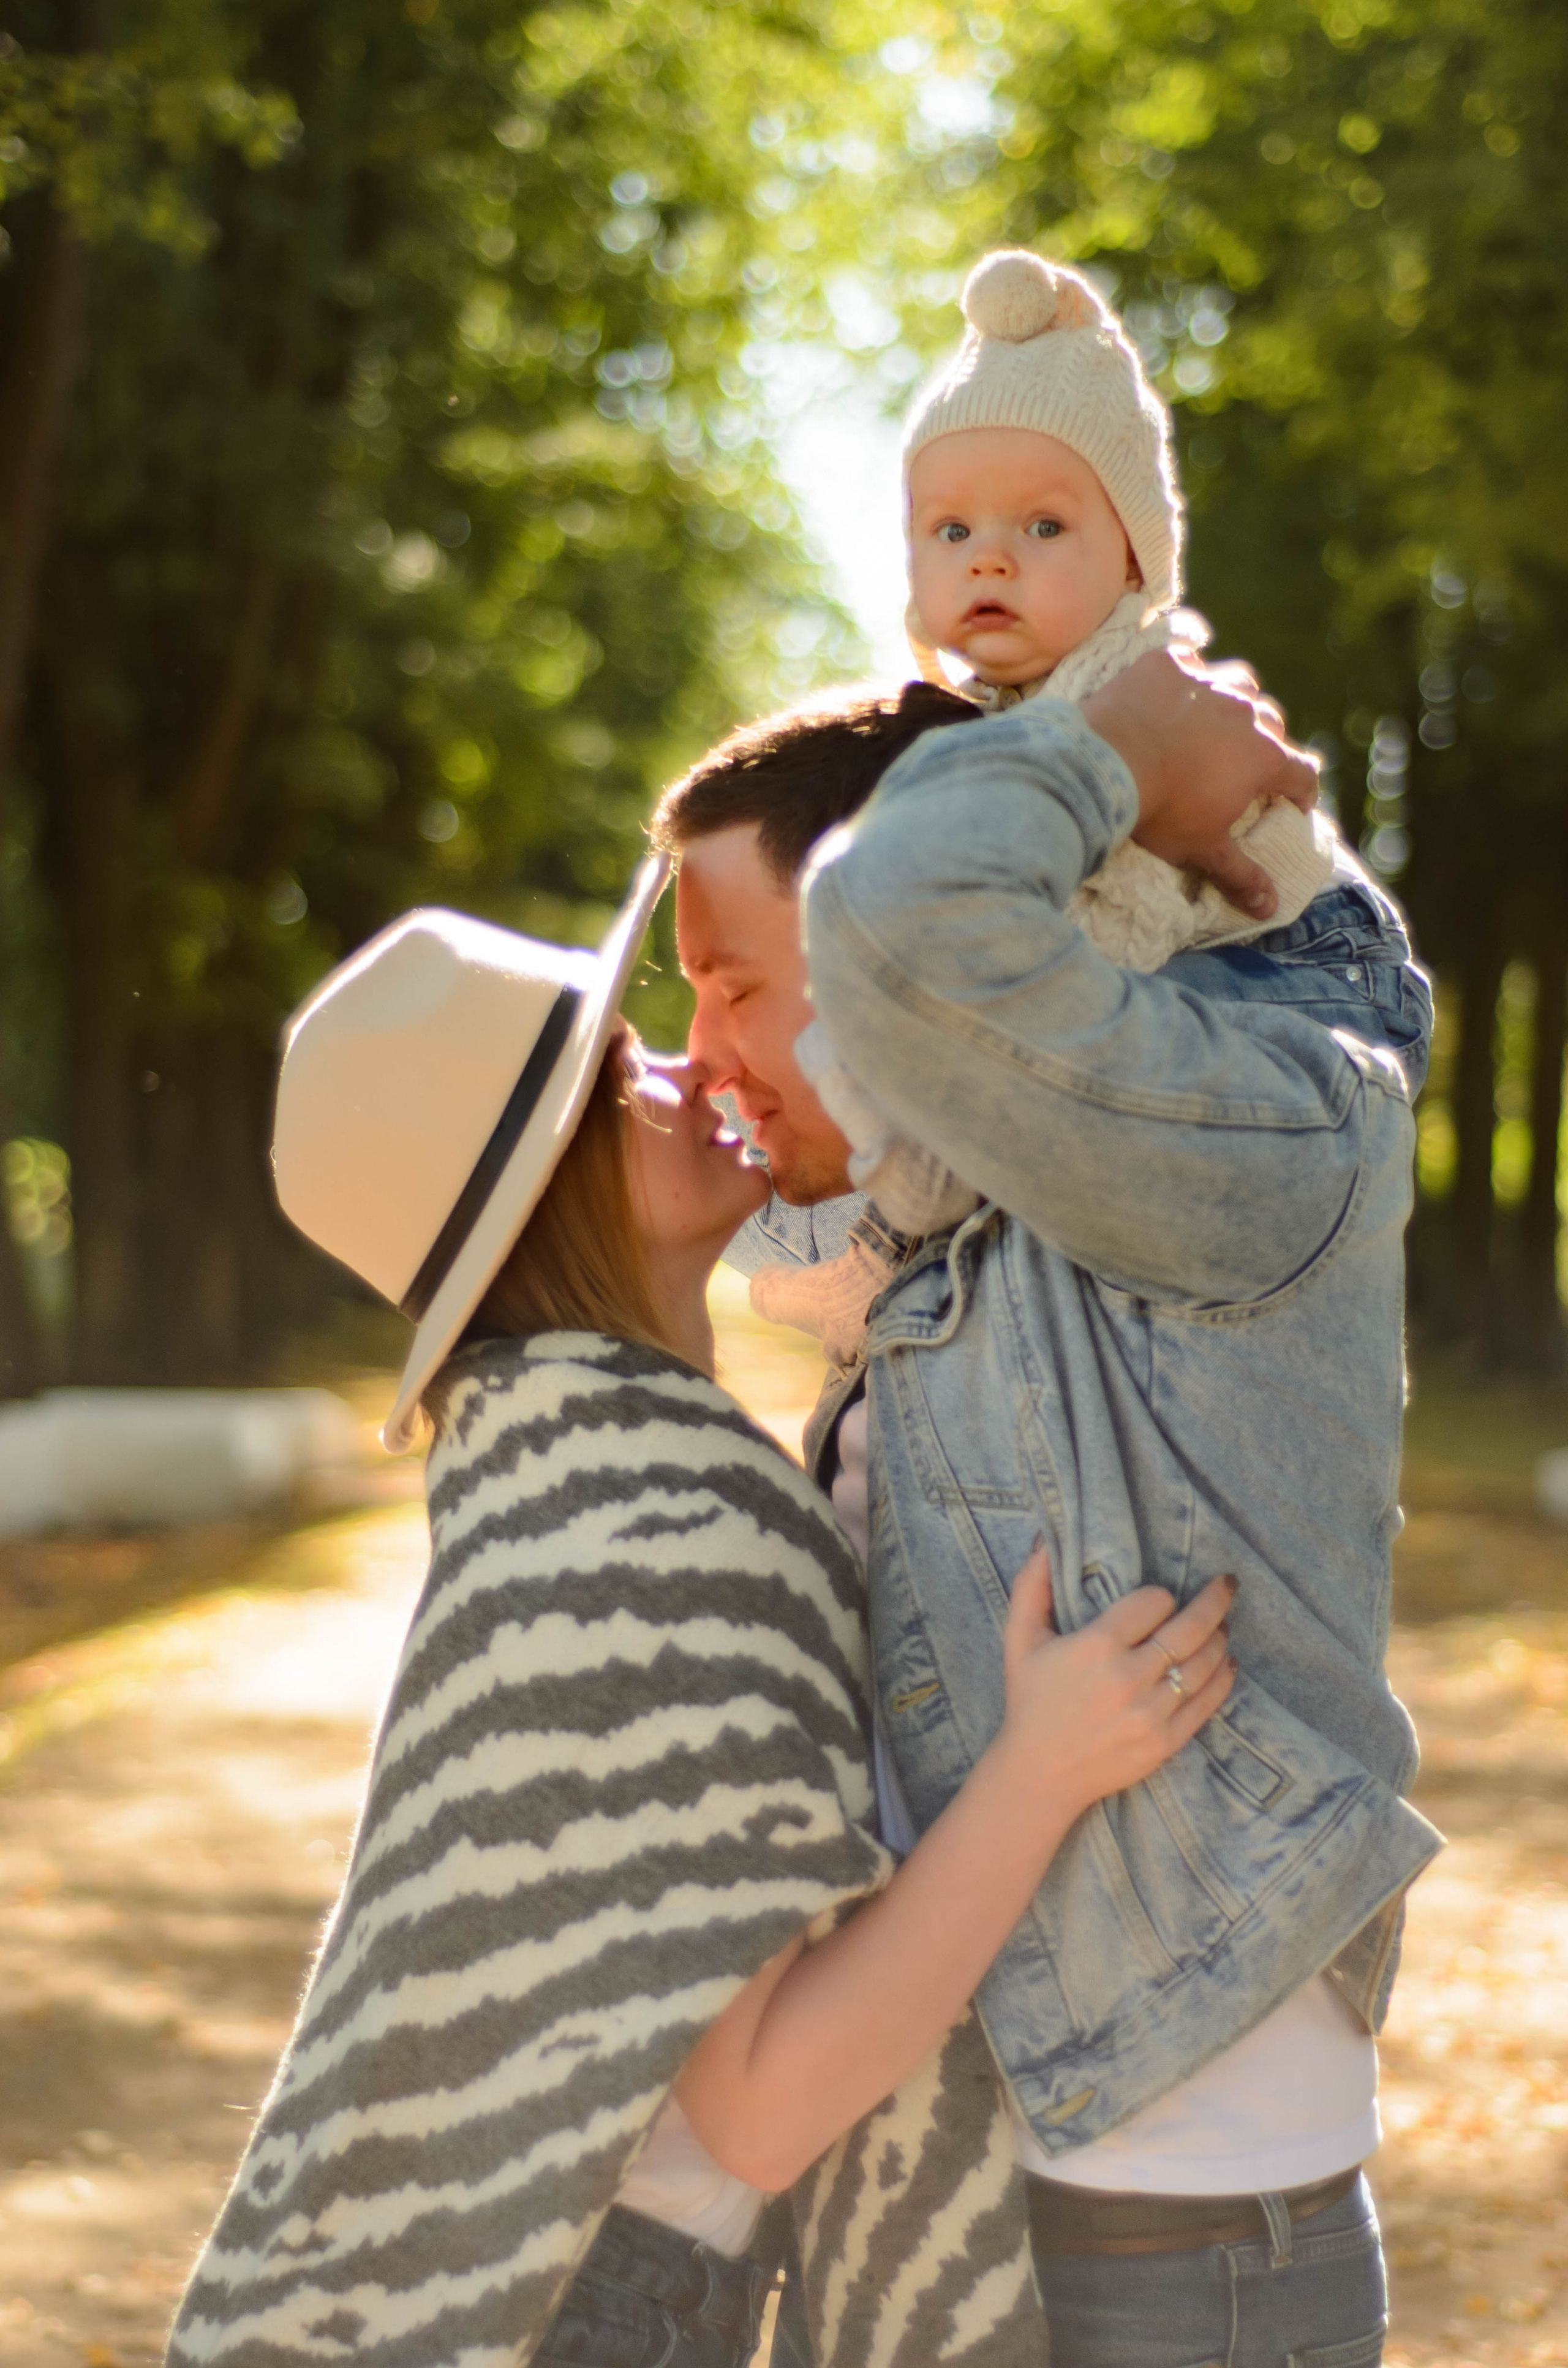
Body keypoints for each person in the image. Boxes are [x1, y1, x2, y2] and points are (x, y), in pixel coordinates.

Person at [164, 863, 1235, 2368]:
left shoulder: (561, 1476)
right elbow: (762, 2105)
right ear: (549, 1181)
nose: (688, 1067)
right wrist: (1041, 1770)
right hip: (559, 2318)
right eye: (622, 1073)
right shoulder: (645, 1517)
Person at [654, 644, 1441, 2367]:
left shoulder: (1258, 1134)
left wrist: (1108, 745)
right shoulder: (942, 1231)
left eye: (727, 981)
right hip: (946, 2231)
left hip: (1164, 2248)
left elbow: (904, 924)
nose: (696, 1046)